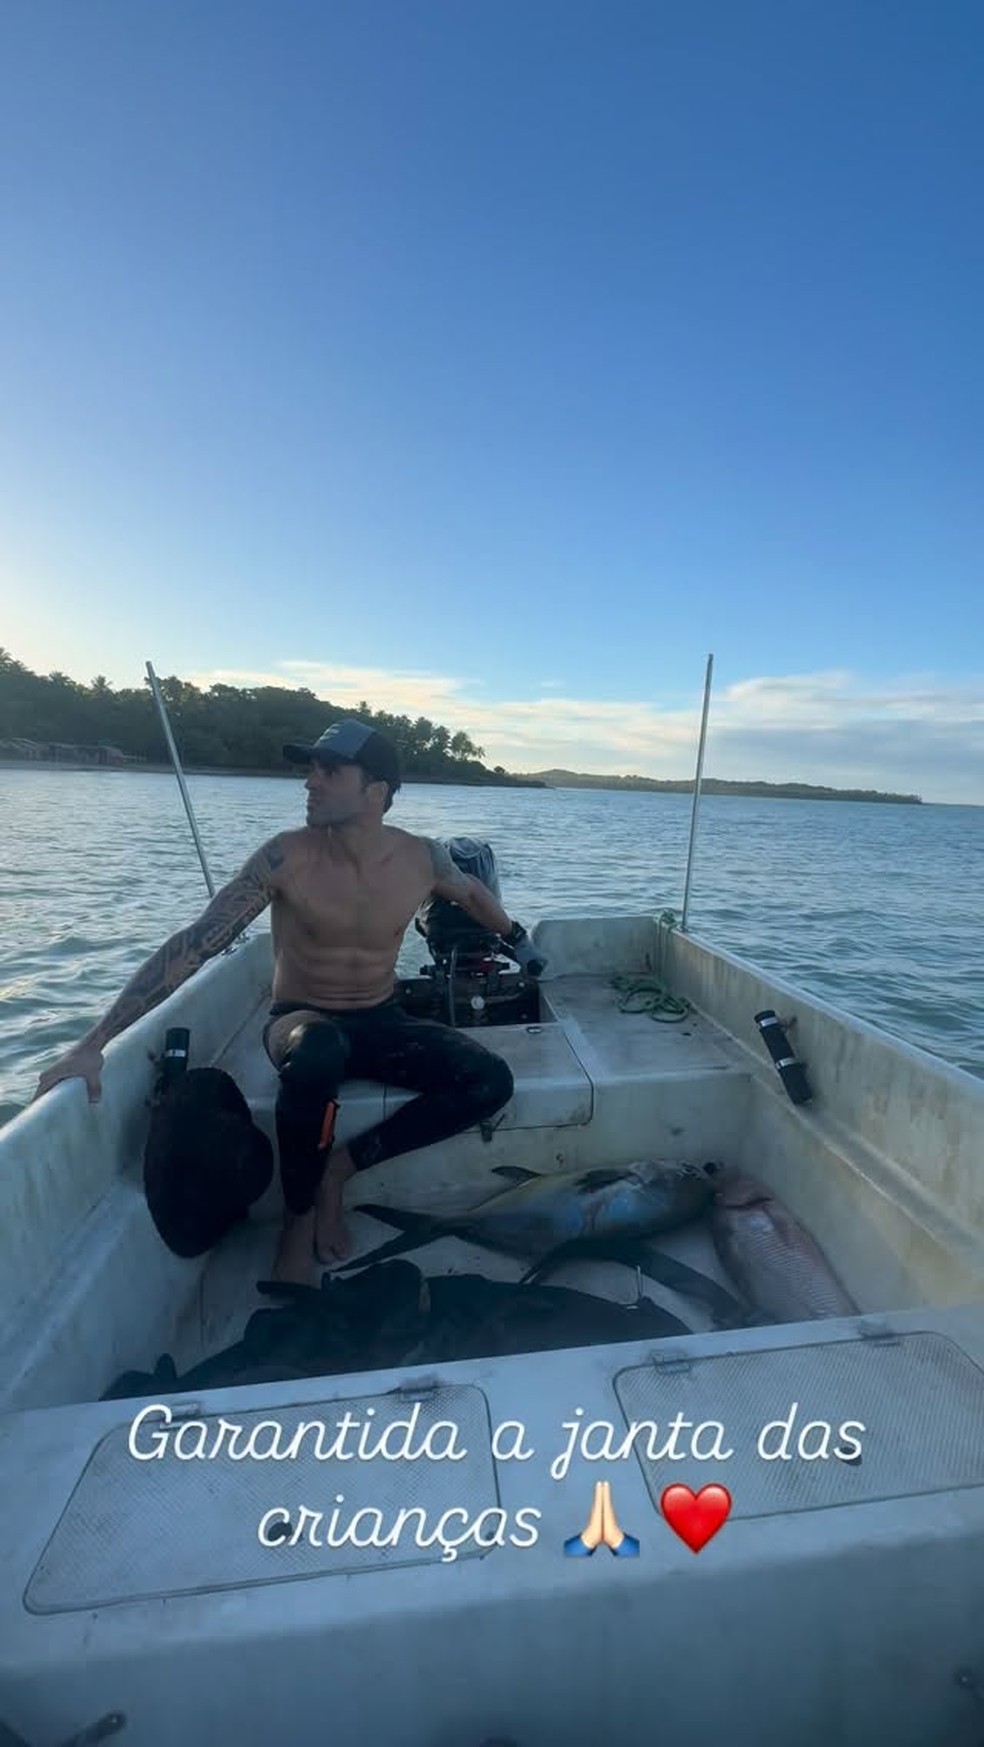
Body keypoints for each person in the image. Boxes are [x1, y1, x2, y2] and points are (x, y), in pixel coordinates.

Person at [32, 718, 548, 1285]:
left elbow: (474, 895)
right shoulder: (285, 858)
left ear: (375, 792)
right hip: (301, 1021)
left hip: (381, 1016)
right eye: (310, 770)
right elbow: (197, 942)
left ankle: (339, 1170)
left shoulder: (421, 859)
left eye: (329, 771)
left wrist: (522, 945)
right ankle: (297, 1221)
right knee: (319, 1051)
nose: (310, 783)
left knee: (490, 1080)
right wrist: (93, 1042)